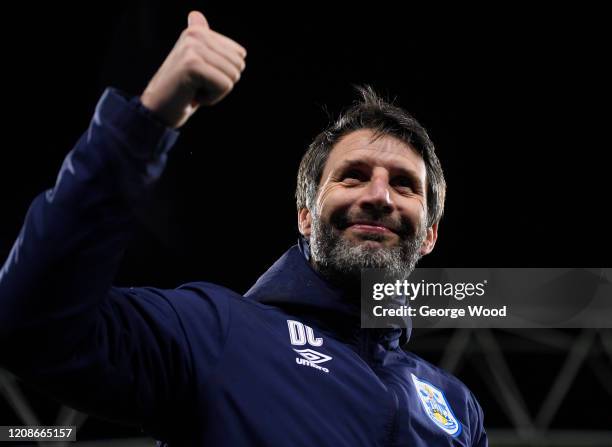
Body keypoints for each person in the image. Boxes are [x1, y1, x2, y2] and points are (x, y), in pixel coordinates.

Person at [0, 10, 487, 447]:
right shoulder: (214, 331)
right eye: (353, 175)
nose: (378, 196)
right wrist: (145, 122)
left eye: (404, 185)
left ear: (429, 235)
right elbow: (31, 322)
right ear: (305, 215)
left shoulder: (458, 408)